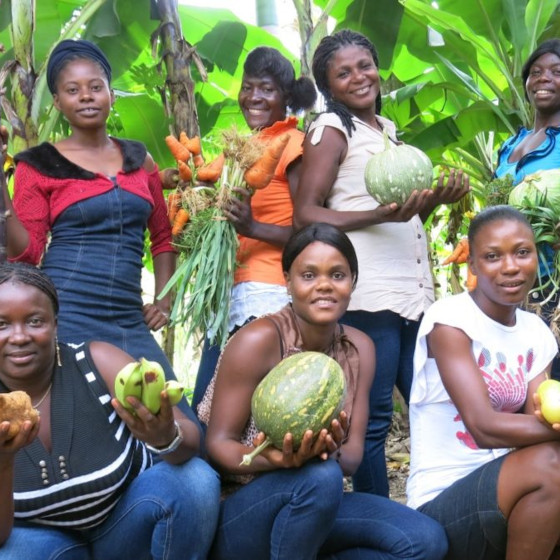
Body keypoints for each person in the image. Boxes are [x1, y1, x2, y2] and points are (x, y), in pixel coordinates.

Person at [199, 222, 449, 560]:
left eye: (337, 275)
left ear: (353, 282)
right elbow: (218, 446)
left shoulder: (359, 348)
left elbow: (351, 457)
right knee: (320, 476)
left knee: (424, 540)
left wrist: (324, 451)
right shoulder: (258, 340)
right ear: (288, 281)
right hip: (241, 513)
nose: (324, 286)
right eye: (308, 275)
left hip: (313, 506)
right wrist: (277, 461)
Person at [293, 29, 470, 496]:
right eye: (343, 73)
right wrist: (377, 213)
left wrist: (438, 201)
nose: (359, 77)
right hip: (370, 294)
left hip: (413, 294)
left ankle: (439, 503)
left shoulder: (387, 132)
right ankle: (379, 516)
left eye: (365, 65)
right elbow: (305, 213)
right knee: (372, 418)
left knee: (431, 405)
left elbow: (406, 216)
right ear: (328, 86)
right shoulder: (331, 130)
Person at [0, 262, 220, 559]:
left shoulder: (96, 362)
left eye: (34, 321)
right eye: (2, 324)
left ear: (55, 323)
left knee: (195, 480)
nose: (18, 336)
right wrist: (3, 464)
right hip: (45, 545)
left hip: (124, 526)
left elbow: (190, 442)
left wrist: (165, 437)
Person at [1, 39, 180, 388]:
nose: (86, 96)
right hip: (68, 314)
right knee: (87, 422)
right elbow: (28, 253)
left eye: (95, 87)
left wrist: (164, 300)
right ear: (58, 101)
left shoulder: (139, 159)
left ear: (110, 94)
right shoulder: (39, 165)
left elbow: (161, 237)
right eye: (73, 90)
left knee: (179, 428)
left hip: (129, 319)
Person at [406, 205, 560, 560]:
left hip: (512, 494)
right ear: (472, 265)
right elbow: (483, 427)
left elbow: (543, 416)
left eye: (522, 252)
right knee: (551, 461)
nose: (510, 267)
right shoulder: (449, 320)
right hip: (443, 504)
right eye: (492, 256)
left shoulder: (536, 332)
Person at [191, 46, 317, 411]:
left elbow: (307, 231)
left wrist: (252, 226)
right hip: (230, 291)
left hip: (267, 291)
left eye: (266, 89)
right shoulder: (243, 146)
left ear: (286, 97)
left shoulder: (291, 142)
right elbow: (202, 180)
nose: (253, 97)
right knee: (209, 404)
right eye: (248, 87)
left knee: (245, 407)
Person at [494, 38, 560, 378]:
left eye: (556, 71)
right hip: (511, 284)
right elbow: (495, 205)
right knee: (522, 382)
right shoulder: (510, 145)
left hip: (554, 283)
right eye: (536, 72)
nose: (544, 78)